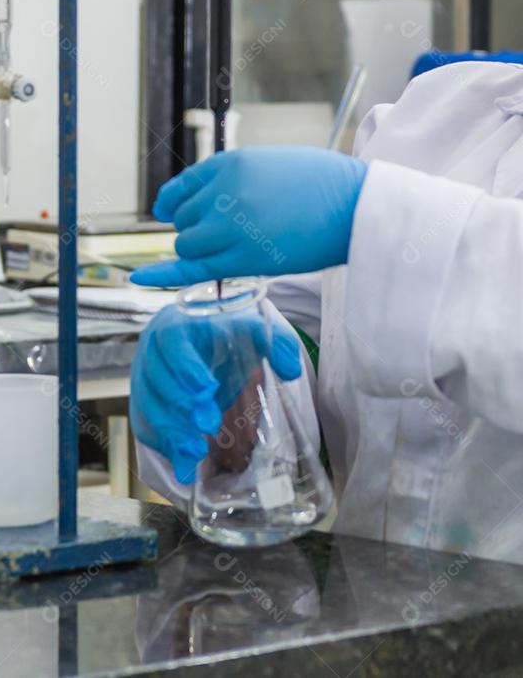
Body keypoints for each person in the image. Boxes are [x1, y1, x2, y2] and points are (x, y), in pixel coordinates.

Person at [130, 61, 523, 563]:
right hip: (368, 626)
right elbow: (319, 341)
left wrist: (370, 214)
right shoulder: (432, 116)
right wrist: (231, 376)